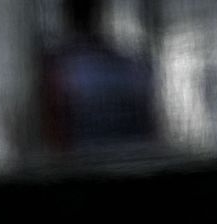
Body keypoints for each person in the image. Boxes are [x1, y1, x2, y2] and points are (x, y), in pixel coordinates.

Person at [42, 0, 152, 150]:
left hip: (85, 156)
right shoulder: (128, 66)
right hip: (132, 154)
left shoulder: (60, 68)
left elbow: (57, 130)